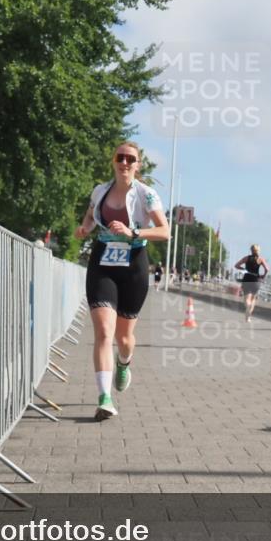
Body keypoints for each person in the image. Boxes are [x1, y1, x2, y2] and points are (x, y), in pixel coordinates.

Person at [75, 142, 169, 421]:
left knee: (124, 338)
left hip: (133, 265)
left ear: (138, 165)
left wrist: (133, 232)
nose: (125, 162)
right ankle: (104, 398)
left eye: (131, 159)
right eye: (120, 157)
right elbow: (90, 216)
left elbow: (164, 231)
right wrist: (85, 228)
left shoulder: (146, 194)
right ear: (113, 161)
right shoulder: (100, 191)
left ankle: (124, 362)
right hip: (103, 261)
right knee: (104, 331)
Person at [234, 244, 269, 322]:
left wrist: (243, 269)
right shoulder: (261, 259)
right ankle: (248, 317)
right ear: (258, 251)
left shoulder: (246, 258)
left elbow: (236, 265)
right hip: (256, 280)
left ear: (251, 250)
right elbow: (267, 269)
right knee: (253, 299)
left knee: (247, 299)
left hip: (247, 279)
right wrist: (263, 276)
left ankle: (248, 307)